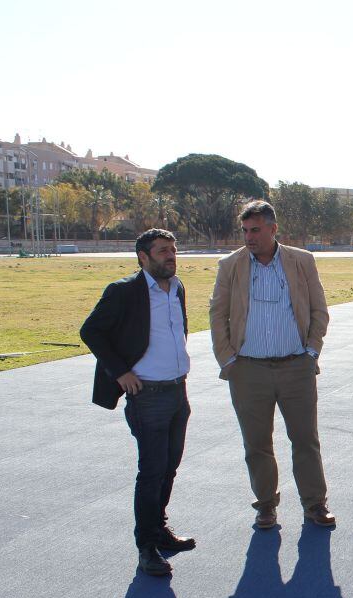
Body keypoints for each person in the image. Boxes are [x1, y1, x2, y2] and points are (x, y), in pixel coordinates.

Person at [209, 200, 334, 530]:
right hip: (248, 371)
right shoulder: (231, 266)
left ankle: (315, 504)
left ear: (273, 229)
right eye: (245, 231)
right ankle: (266, 505)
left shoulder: (301, 261)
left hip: (297, 367)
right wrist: (229, 359)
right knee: (256, 442)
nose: (249, 237)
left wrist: (311, 352)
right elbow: (218, 314)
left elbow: (320, 310)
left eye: (256, 230)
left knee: (305, 439)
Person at [80, 228, 195, 577]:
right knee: (151, 472)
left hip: (178, 392)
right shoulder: (124, 291)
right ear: (143, 258)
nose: (170, 256)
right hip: (147, 396)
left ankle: (160, 531)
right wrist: (120, 372)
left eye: (173, 250)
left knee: (169, 467)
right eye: (162, 251)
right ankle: (146, 548)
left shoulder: (177, 288)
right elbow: (91, 331)